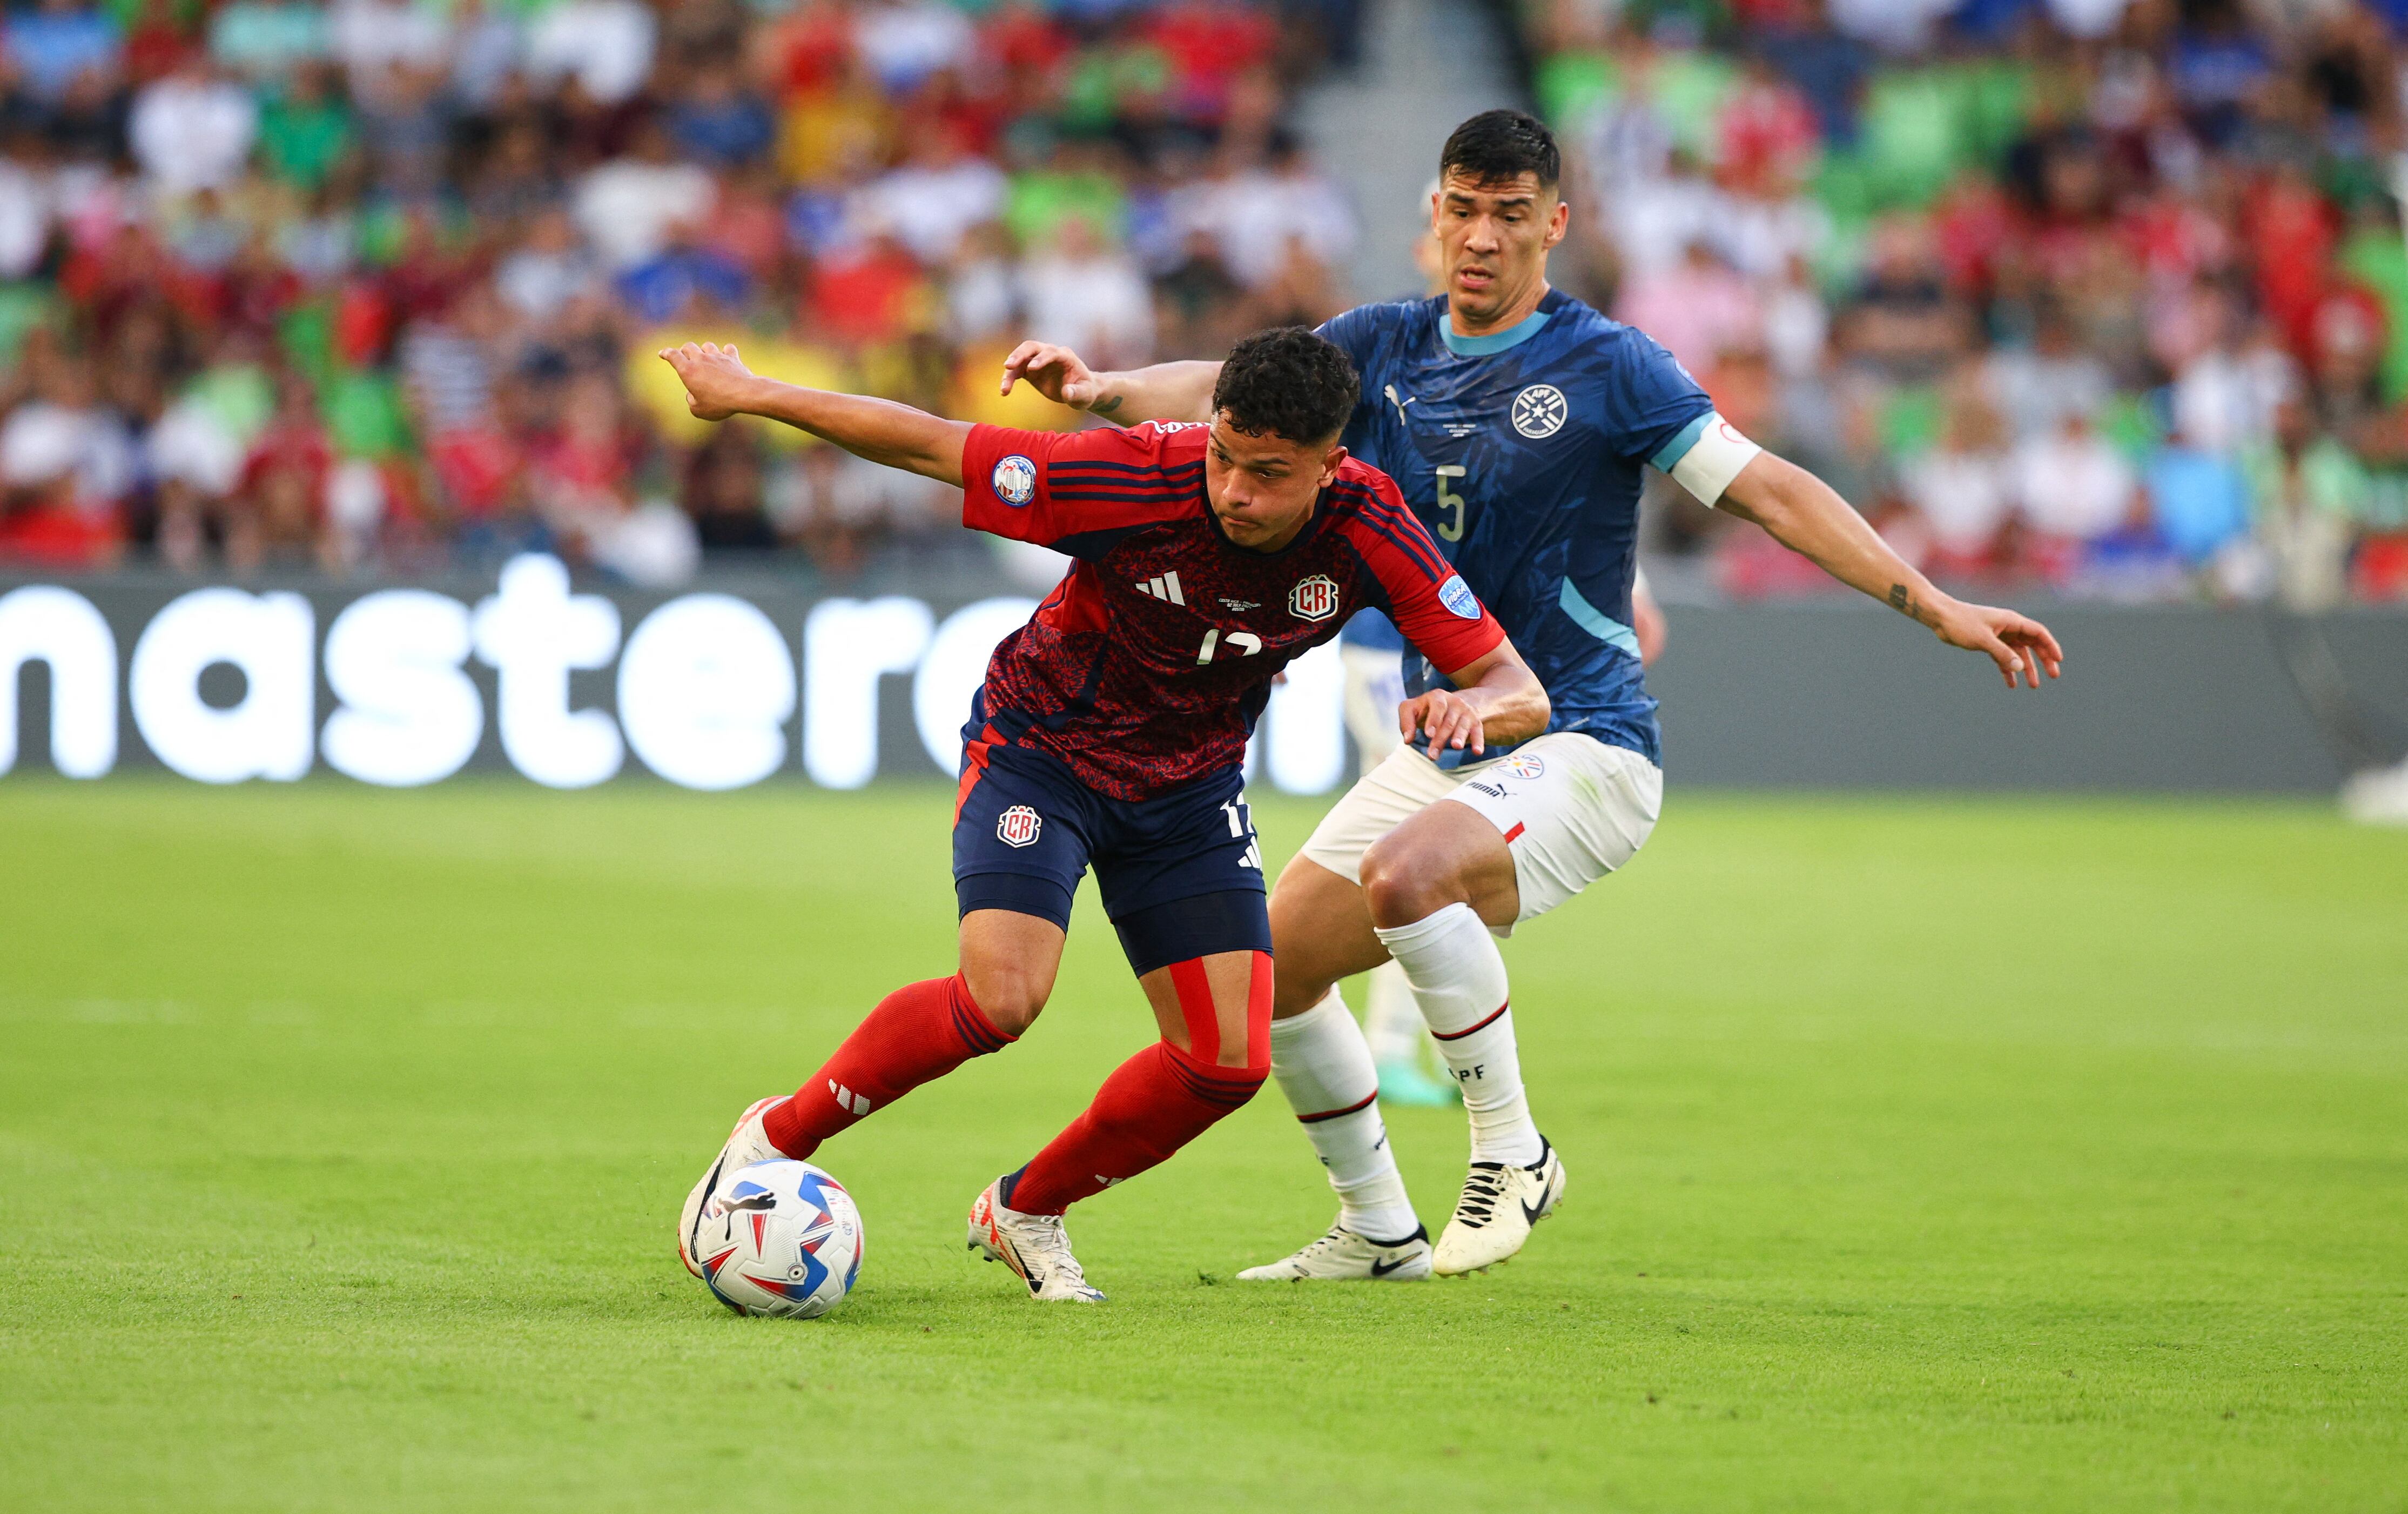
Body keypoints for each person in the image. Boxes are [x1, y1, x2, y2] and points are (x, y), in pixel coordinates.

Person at [997, 108, 2064, 1282]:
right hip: (1451, 748)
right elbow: (1227, 389)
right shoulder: (1381, 347)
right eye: (1463, 210)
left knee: (1409, 874)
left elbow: (1768, 490)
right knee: (1276, 968)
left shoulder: (1612, 367)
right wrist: (1108, 388)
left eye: (1510, 216)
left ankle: (1513, 1155)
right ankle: (1377, 1229)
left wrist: (1935, 603)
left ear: (1554, 225)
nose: (1482, 238)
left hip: (1591, 742)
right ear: (1435, 213)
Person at [658, 327, 1548, 1302]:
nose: (1234, 491)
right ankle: (775, 1134)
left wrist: (1470, 707)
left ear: (1330, 465)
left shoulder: (1370, 523)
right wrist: (753, 392)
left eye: (1267, 474)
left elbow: (1517, 688)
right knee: (1002, 999)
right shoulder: (1135, 476)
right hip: (1043, 752)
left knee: (1226, 1061)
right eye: (1223, 456)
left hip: (1189, 789)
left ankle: (1025, 1209)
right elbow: (930, 443)